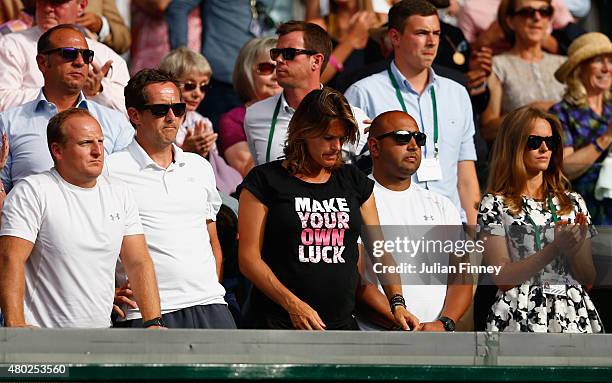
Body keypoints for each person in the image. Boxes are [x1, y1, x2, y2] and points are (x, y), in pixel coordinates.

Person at [238, 87, 418, 330]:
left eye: (341, 138)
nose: (336, 146)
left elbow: (380, 250)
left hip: (340, 325)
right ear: (303, 133)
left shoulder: (353, 180)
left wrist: (397, 303)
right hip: (277, 323)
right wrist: (293, 305)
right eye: (328, 138)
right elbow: (249, 259)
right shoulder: (264, 180)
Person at [0, 108, 163, 328]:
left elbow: (138, 261)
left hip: (101, 338)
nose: (98, 151)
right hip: (43, 340)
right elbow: (10, 259)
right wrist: (15, 325)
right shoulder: (32, 191)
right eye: (86, 143)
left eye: (100, 141)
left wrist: (153, 321)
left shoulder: (120, 192)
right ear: (57, 150)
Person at [106, 69, 236, 329]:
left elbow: (212, 240)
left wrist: (214, 287)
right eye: (159, 110)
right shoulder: (110, 169)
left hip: (211, 304)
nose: (171, 117)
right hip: (146, 312)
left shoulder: (199, 167)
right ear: (134, 115)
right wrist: (104, 291)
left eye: (178, 108)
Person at [344, 0, 480, 226]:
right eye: (421, 33)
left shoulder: (457, 93)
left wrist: (474, 231)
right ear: (395, 37)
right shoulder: (363, 92)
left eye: (436, 33)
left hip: (451, 225)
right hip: (389, 225)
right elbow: (346, 167)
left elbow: (465, 172)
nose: (432, 41)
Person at [477, 106, 602, 333]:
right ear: (514, 145)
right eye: (534, 142)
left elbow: (588, 279)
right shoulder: (493, 203)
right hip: (519, 312)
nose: (544, 148)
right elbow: (502, 277)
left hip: (571, 312)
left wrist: (572, 251)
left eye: (550, 141)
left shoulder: (573, 202)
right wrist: (554, 248)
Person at [357, 110, 472, 331]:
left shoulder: (442, 205)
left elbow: (461, 278)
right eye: (401, 137)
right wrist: (400, 320)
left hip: (434, 340)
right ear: (374, 147)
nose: (413, 145)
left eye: (419, 138)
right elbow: (356, 281)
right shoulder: (355, 199)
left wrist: (444, 323)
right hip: (376, 338)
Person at [0, 24, 134, 193]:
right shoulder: (8, 123)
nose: (79, 62)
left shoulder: (115, 123)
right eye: (69, 54)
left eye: (86, 56)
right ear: (42, 62)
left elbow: (132, 185)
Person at [244, 20, 369, 167]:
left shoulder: (356, 120)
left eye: (289, 53)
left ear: (316, 61)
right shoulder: (255, 115)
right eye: (276, 53)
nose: (278, 59)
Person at [0, 0, 130, 114]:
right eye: (42, 2)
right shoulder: (11, 45)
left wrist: (98, 91)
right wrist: (64, 93)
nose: (47, 9)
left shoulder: (107, 56)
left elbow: (130, 114)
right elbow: (3, 101)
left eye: (57, 2)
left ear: (81, 6)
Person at [479, 0, 566, 143]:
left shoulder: (563, 63)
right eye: (527, 12)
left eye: (544, 12)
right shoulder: (497, 66)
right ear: (510, 22)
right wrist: (531, 111)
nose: (537, 18)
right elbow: (488, 129)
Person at [159, 47, 242, 195]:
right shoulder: (157, 119)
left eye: (204, 87)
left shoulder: (203, 122)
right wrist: (185, 150)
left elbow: (212, 170)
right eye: (190, 86)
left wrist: (205, 154)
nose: (198, 93)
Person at [549, 32, 612, 226]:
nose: (606, 68)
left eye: (610, 61)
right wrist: (606, 138)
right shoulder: (561, 113)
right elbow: (565, 167)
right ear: (579, 69)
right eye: (598, 61)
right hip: (583, 213)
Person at [219, 37, 282, 177]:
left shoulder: (299, 112)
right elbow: (248, 172)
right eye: (267, 68)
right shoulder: (233, 120)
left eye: (281, 67)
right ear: (247, 72)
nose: (276, 76)